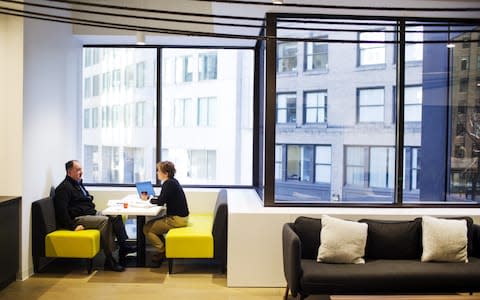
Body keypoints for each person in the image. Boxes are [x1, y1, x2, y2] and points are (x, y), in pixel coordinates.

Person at [53, 160, 136, 272]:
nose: (81, 172)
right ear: (69, 172)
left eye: (81, 169)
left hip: (91, 213)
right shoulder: (63, 188)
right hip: (78, 218)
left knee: (115, 215)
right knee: (105, 221)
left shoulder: (78, 184)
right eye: (78, 170)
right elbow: (61, 212)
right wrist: (73, 226)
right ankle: (110, 259)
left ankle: (124, 246)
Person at [143, 161, 189, 264]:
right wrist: (153, 198)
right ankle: (164, 248)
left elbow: (160, 202)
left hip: (176, 220)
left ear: (166, 173)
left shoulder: (168, 184)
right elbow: (163, 198)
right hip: (181, 218)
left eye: (158, 170)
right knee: (151, 226)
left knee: (146, 228)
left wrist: (149, 200)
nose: (157, 173)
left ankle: (162, 251)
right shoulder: (173, 182)